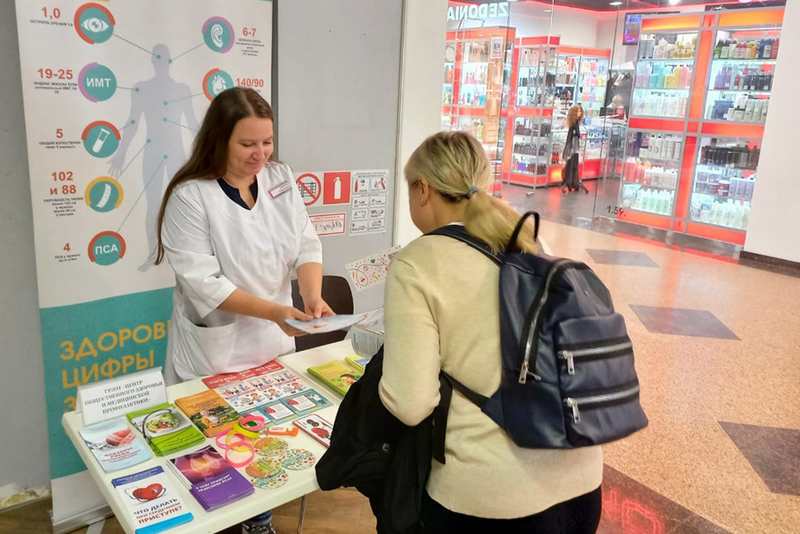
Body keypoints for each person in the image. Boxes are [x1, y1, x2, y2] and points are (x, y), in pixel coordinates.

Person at [379, 131, 603, 533]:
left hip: (489, 498)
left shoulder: (417, 262)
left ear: (423, 190)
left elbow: (410, 404)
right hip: (581, 480)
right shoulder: (527, 239)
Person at [155, 86, 332, 534]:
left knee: (264, 439)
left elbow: (306, 243)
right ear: (220, 140)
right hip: (219, 345)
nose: (260, 154)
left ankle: (259, 520)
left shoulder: (279, 178)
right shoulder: (190, 196)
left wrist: (311, 296)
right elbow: (205, 283)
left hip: (272, 338)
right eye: (247, 144)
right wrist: (275, 312)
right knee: (214, 447)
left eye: (267, 142)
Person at [562, 103, 589, 195]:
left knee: (572, 166)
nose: (579, 113)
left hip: (573, 148)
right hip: (573, 148)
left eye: (580, 112)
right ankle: (571, 183)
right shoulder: (574, 124)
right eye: (578, 112)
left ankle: (572, 182)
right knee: (572, 166)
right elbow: (574, 135)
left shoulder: (574, 123)